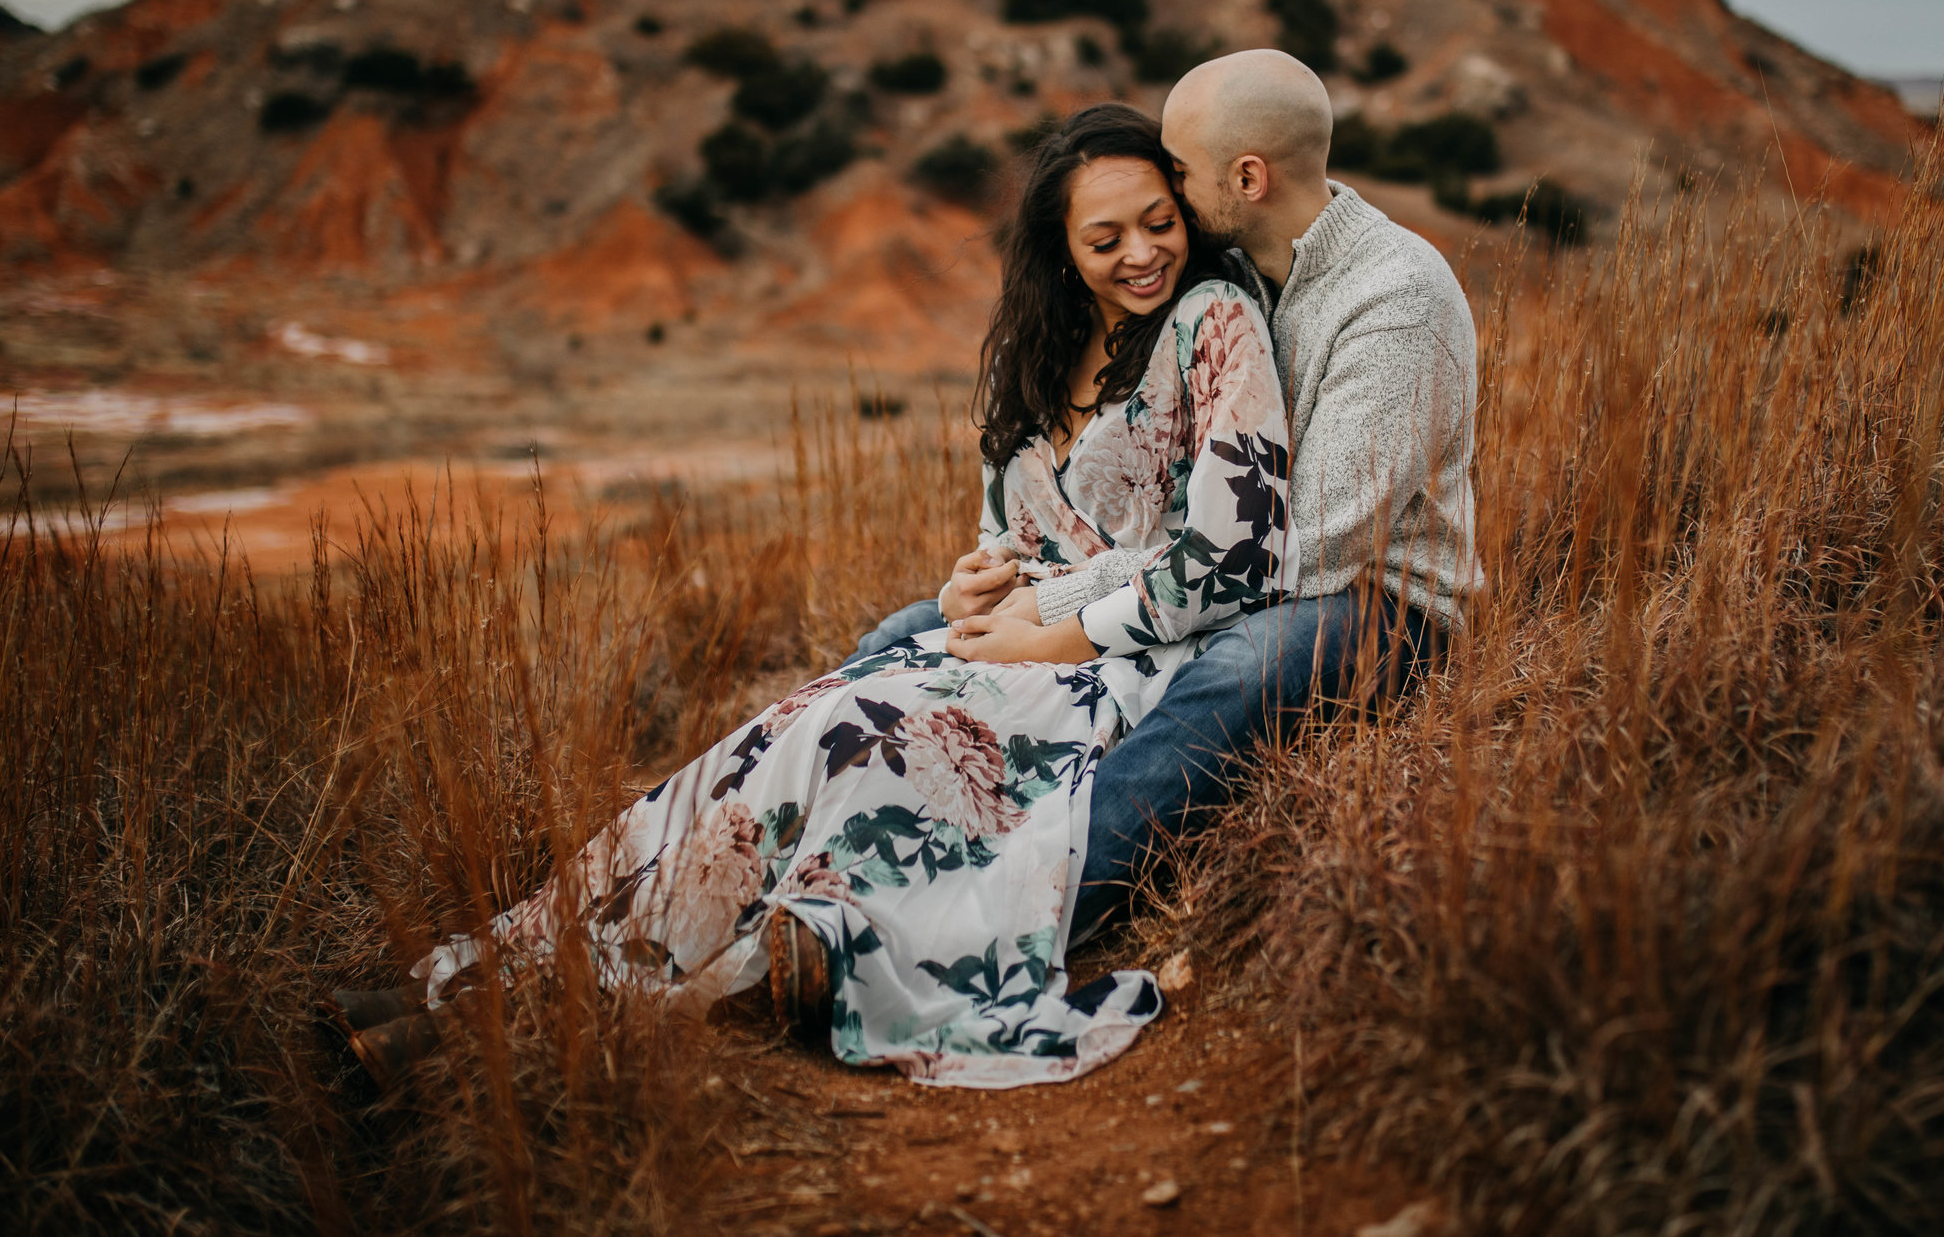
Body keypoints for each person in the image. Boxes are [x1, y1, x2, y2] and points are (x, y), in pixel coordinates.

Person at [333, 104, 1292, 1092]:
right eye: (1105, 237)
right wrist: (972, 579)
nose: (1141, 252)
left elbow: (1232, 558)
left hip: (1117, 660)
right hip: (1000, 646)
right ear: (1059, 246)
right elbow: (1003, 538)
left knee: (852, 732)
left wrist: (1044, 637)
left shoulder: (1212, 323)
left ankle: (567, 1013)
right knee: (783, 733)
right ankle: (497, 975)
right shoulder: (1034, 356)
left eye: (1159, 222)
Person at [847, 48, 1480, 944]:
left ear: (1247, 177)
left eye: (1178, 172)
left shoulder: (1395, 295)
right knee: (904, 633)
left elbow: (1303, 548)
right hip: (1219, 576)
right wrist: (997, 586)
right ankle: (833, 857)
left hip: (1373, 604)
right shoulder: (1235, 273)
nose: (1167, 199)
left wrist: (1060, 603)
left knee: (1238, 672)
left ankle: (1004, 920)